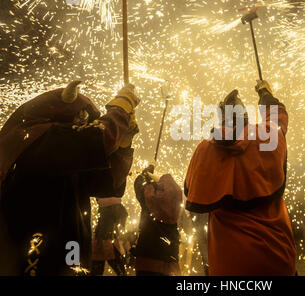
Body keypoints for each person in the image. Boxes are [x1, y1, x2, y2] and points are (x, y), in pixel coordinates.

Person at [0, 81, 139, 275]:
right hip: (36, 250)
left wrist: (123, 145)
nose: (82, 125)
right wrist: (120, 109)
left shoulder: (67, 154)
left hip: (69, 245)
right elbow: (95, 141)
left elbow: (105, 183)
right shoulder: (37, 143)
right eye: (79, 119)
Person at [184, 80, 297, 276]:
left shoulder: (203, 150)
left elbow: (190, 189)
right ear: (245, 116)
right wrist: (265, 94)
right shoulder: (267, 138)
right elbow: (278, 117)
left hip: (227, 266)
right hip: (276, 258)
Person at [133, 165, 182, 276]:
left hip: (147, 257)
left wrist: (145, 174)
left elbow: (139, 187)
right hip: (168, 260)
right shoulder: (175, 207)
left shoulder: (150, 203)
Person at [91, 197, 128, 276]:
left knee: (97, 268)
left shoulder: (109, 205)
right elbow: (124, 215)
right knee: (119, 269)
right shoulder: (115, 205)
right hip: (107, 237)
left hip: (103, 237)